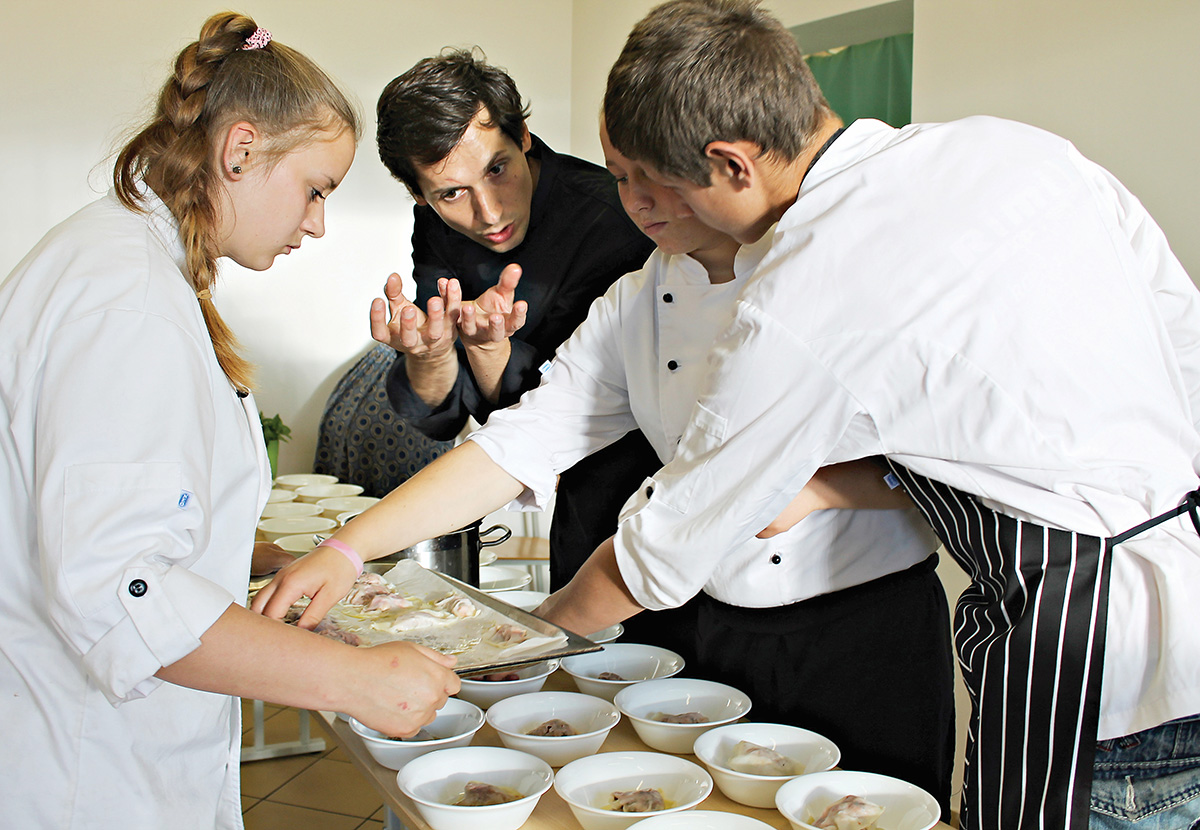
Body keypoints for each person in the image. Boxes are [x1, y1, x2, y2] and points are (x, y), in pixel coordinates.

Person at [584, 1, 1200, 828]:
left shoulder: (805, 284)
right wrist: (828, 486)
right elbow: (1172, 346)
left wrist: (518, 651)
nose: (663, 212)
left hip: (1097, 665)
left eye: (669, 186)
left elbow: (660, 551)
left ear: (731, 164)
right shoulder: (1011, 147)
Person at [252, 115, 958, 808]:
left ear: (724, 167)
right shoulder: (640, 299)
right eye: (622, 178)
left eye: (655, 176)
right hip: (709, 624)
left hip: (861, 632)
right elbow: (517, 442)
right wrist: (349, 549)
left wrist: (821, 491)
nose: (638, 201)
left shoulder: (834, 274)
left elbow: (950, 457)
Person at [0, 15, 458, 829]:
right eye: (316, 189)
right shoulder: (126, 301)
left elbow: (101, 507)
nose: (317, 222)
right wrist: (354, 680)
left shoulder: (127, 265)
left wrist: (260, 554)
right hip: (86, 774)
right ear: (239, 151)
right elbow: (119, 591)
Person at [370, 49, 660, 590]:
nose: (489, 212)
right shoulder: (435, 226)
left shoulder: (616, 223)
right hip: (554, 494)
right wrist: (431, 354)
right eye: (452, 193)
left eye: (497, 169)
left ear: (523, 135)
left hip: (645, 484)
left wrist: (490, 352)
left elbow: (574, 408)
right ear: (419, 195)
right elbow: (442, 414)